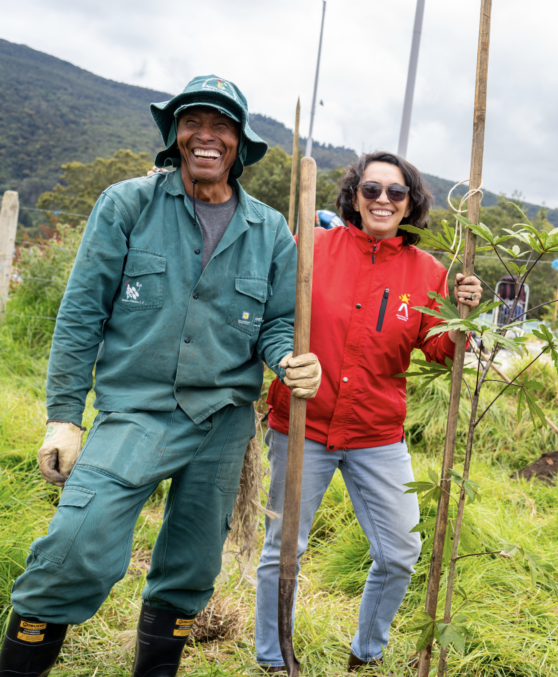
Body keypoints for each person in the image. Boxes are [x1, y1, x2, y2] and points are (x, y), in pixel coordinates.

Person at [0, 75, 321, 677]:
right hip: (136, 409)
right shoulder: (128, 205)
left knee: (192, 569)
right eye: (193, 121)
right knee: (75, 545)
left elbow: (277, 324)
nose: (206, 135)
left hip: (222, 422)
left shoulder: (269, 230)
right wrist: (64, 417)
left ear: (240, 143)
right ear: (175, 134)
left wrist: (290, 360)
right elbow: (81, 314)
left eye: (221, 125)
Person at [253, 151, 483, 672]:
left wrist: (462, 319)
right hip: (303, 424)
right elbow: (272, 316)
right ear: (354, 197)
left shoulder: (428, 272)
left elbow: (440, 350)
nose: (383, 200)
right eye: (371, 189)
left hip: (376, 433)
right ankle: (273, 658)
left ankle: (367, 652)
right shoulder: (311, 246)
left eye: (396, 192)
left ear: (410, 204)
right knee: (283, 549)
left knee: (400, 552)